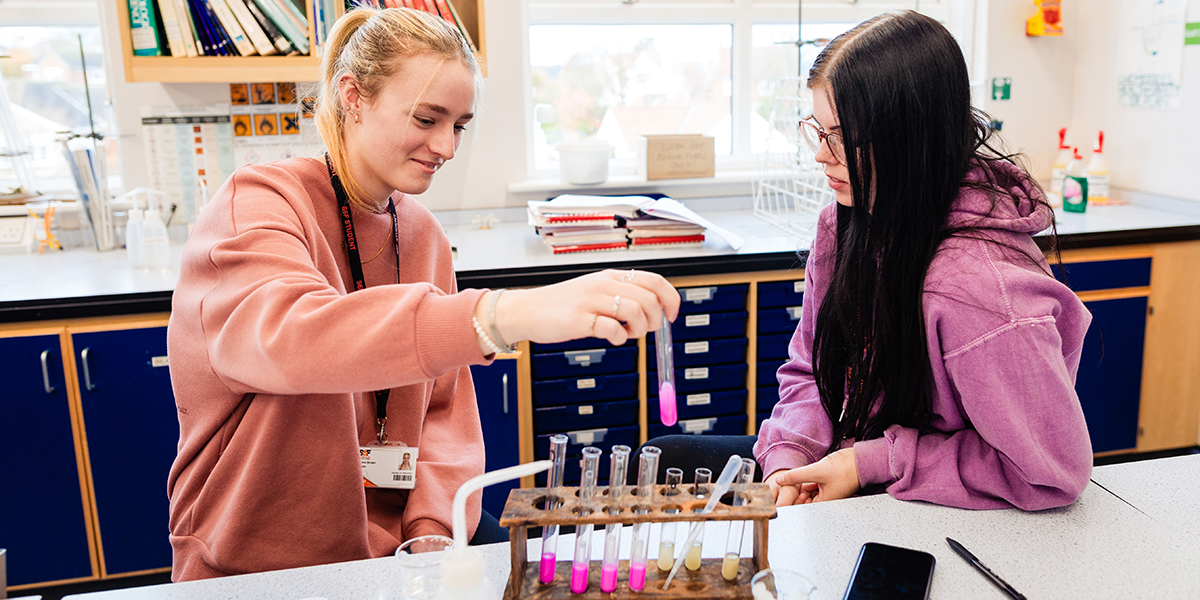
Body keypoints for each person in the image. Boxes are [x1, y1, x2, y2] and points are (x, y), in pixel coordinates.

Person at [165, 7, 679, 581]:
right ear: (352, 97)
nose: (447, 146)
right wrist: (502, 313)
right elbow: (290, 338)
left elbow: (442, 412)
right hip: (259, 567)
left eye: (458, 125)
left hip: (393, 560)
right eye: (427, 118)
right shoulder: (258, 203)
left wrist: (431, 528)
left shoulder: (422, 234)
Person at [646, 10, 1093, 512]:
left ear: (910, 139)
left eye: (840, 136)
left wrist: (868, 464)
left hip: (922, 497)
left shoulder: (978, 291)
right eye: (817, 129)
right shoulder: (844, 224)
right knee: (666, 457)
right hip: (847, 463)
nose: (820, 154)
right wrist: (789, 460)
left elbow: (1053, 472)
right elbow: (811, 369)